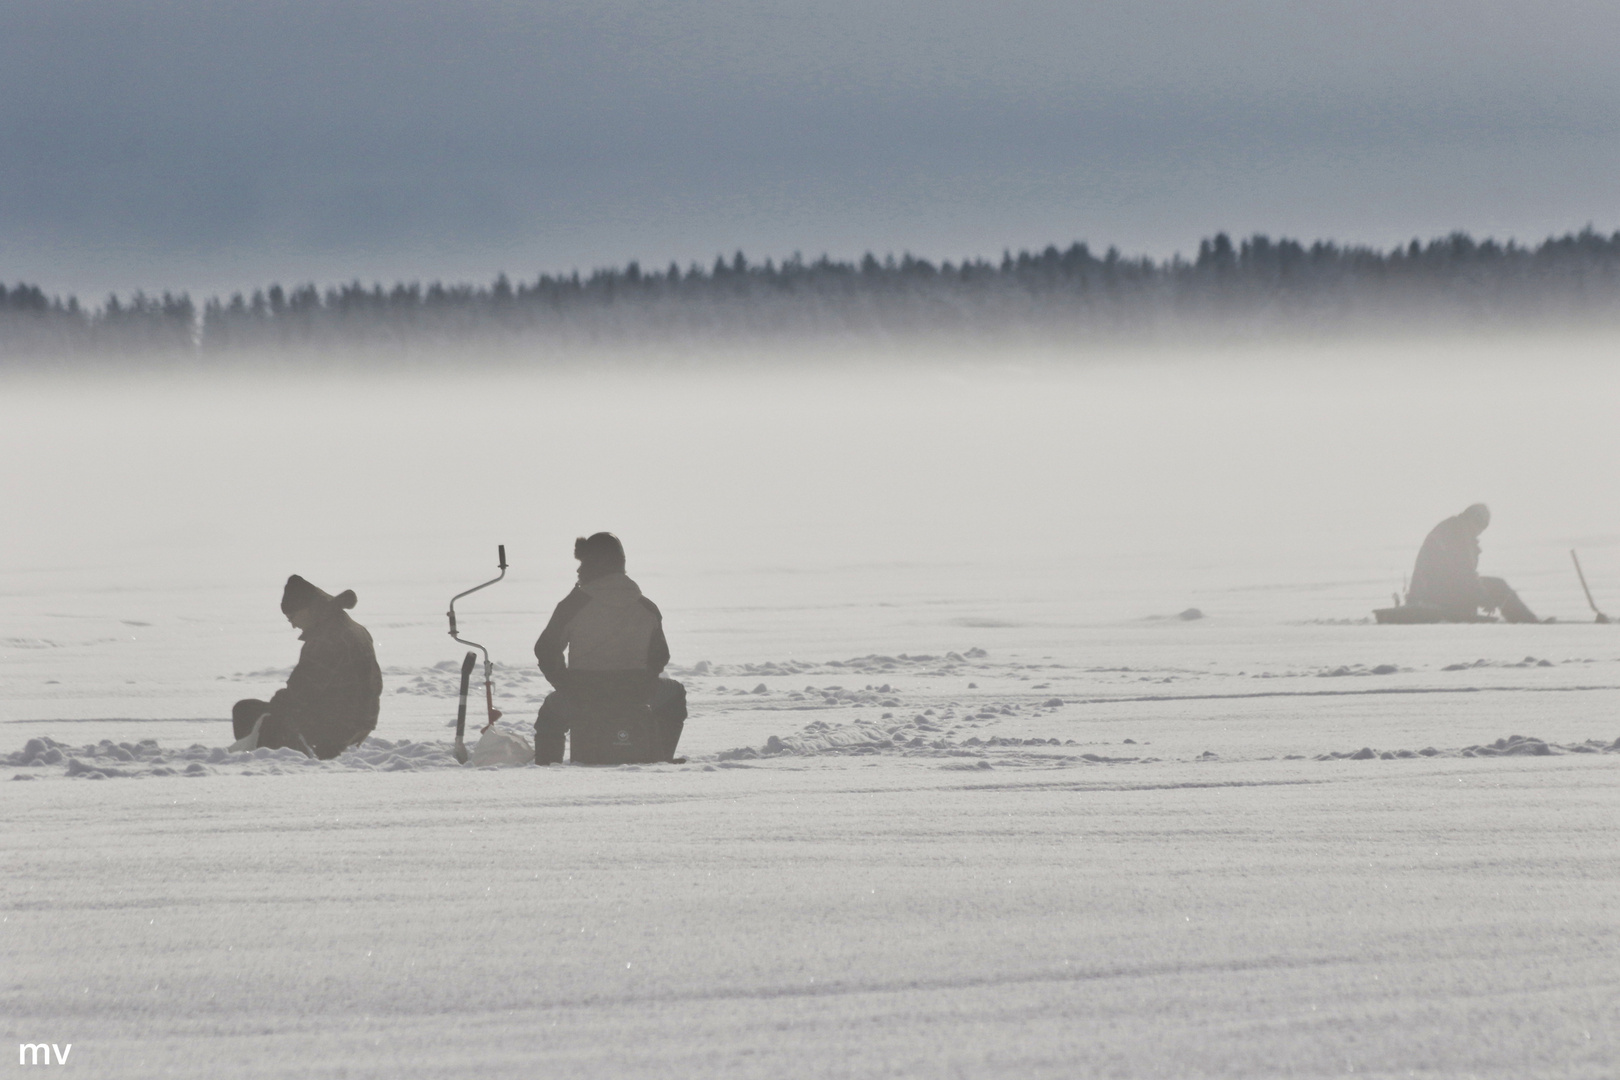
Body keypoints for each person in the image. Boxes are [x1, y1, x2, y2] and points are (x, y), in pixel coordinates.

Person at [533, 533, 687, 764]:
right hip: (637, 691)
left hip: (583, 693)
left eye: (583, 564)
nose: (578, 571)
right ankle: (662, 759)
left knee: (550, 714)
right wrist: (642, 681)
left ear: (594, 565)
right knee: (675, 695)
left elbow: (546, 650)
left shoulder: (573, 605)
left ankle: (547, 768)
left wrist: (565, 684)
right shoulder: (646, 606)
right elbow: (660, 656)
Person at [231, 575, 383, 758]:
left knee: (245, 711)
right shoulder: (353, 628)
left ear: (307, 609)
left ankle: (262, 760)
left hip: (334, 730)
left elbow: (299, 693)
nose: (293, 625)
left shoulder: (326, 639)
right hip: (359, 723)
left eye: (291, 617)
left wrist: (273, 710)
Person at [1407, 503, 1538, 622]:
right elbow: (1465, 572)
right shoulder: (1458, 532)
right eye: (1481, 526)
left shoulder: (1452, 527)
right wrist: (1483, 598)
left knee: (1482, 587)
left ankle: (1524, 620)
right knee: (1498, 586)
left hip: (1432, 591)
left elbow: (1460, 574)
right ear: (1475, 520)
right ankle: (1527, 622)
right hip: (1434, 594)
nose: (1479, 532)